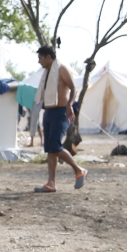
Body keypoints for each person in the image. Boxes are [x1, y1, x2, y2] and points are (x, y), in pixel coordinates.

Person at [32, 46, 86, 192]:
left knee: (55, 145)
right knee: (50, 148)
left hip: (61, 112)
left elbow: (73, 88)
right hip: (49, 111)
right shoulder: (47, 73)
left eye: (40, 58)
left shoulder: (61, 69)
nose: (39, 61)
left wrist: (69, 105)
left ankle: (78, 169)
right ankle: (51, 183)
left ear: (48, 57)